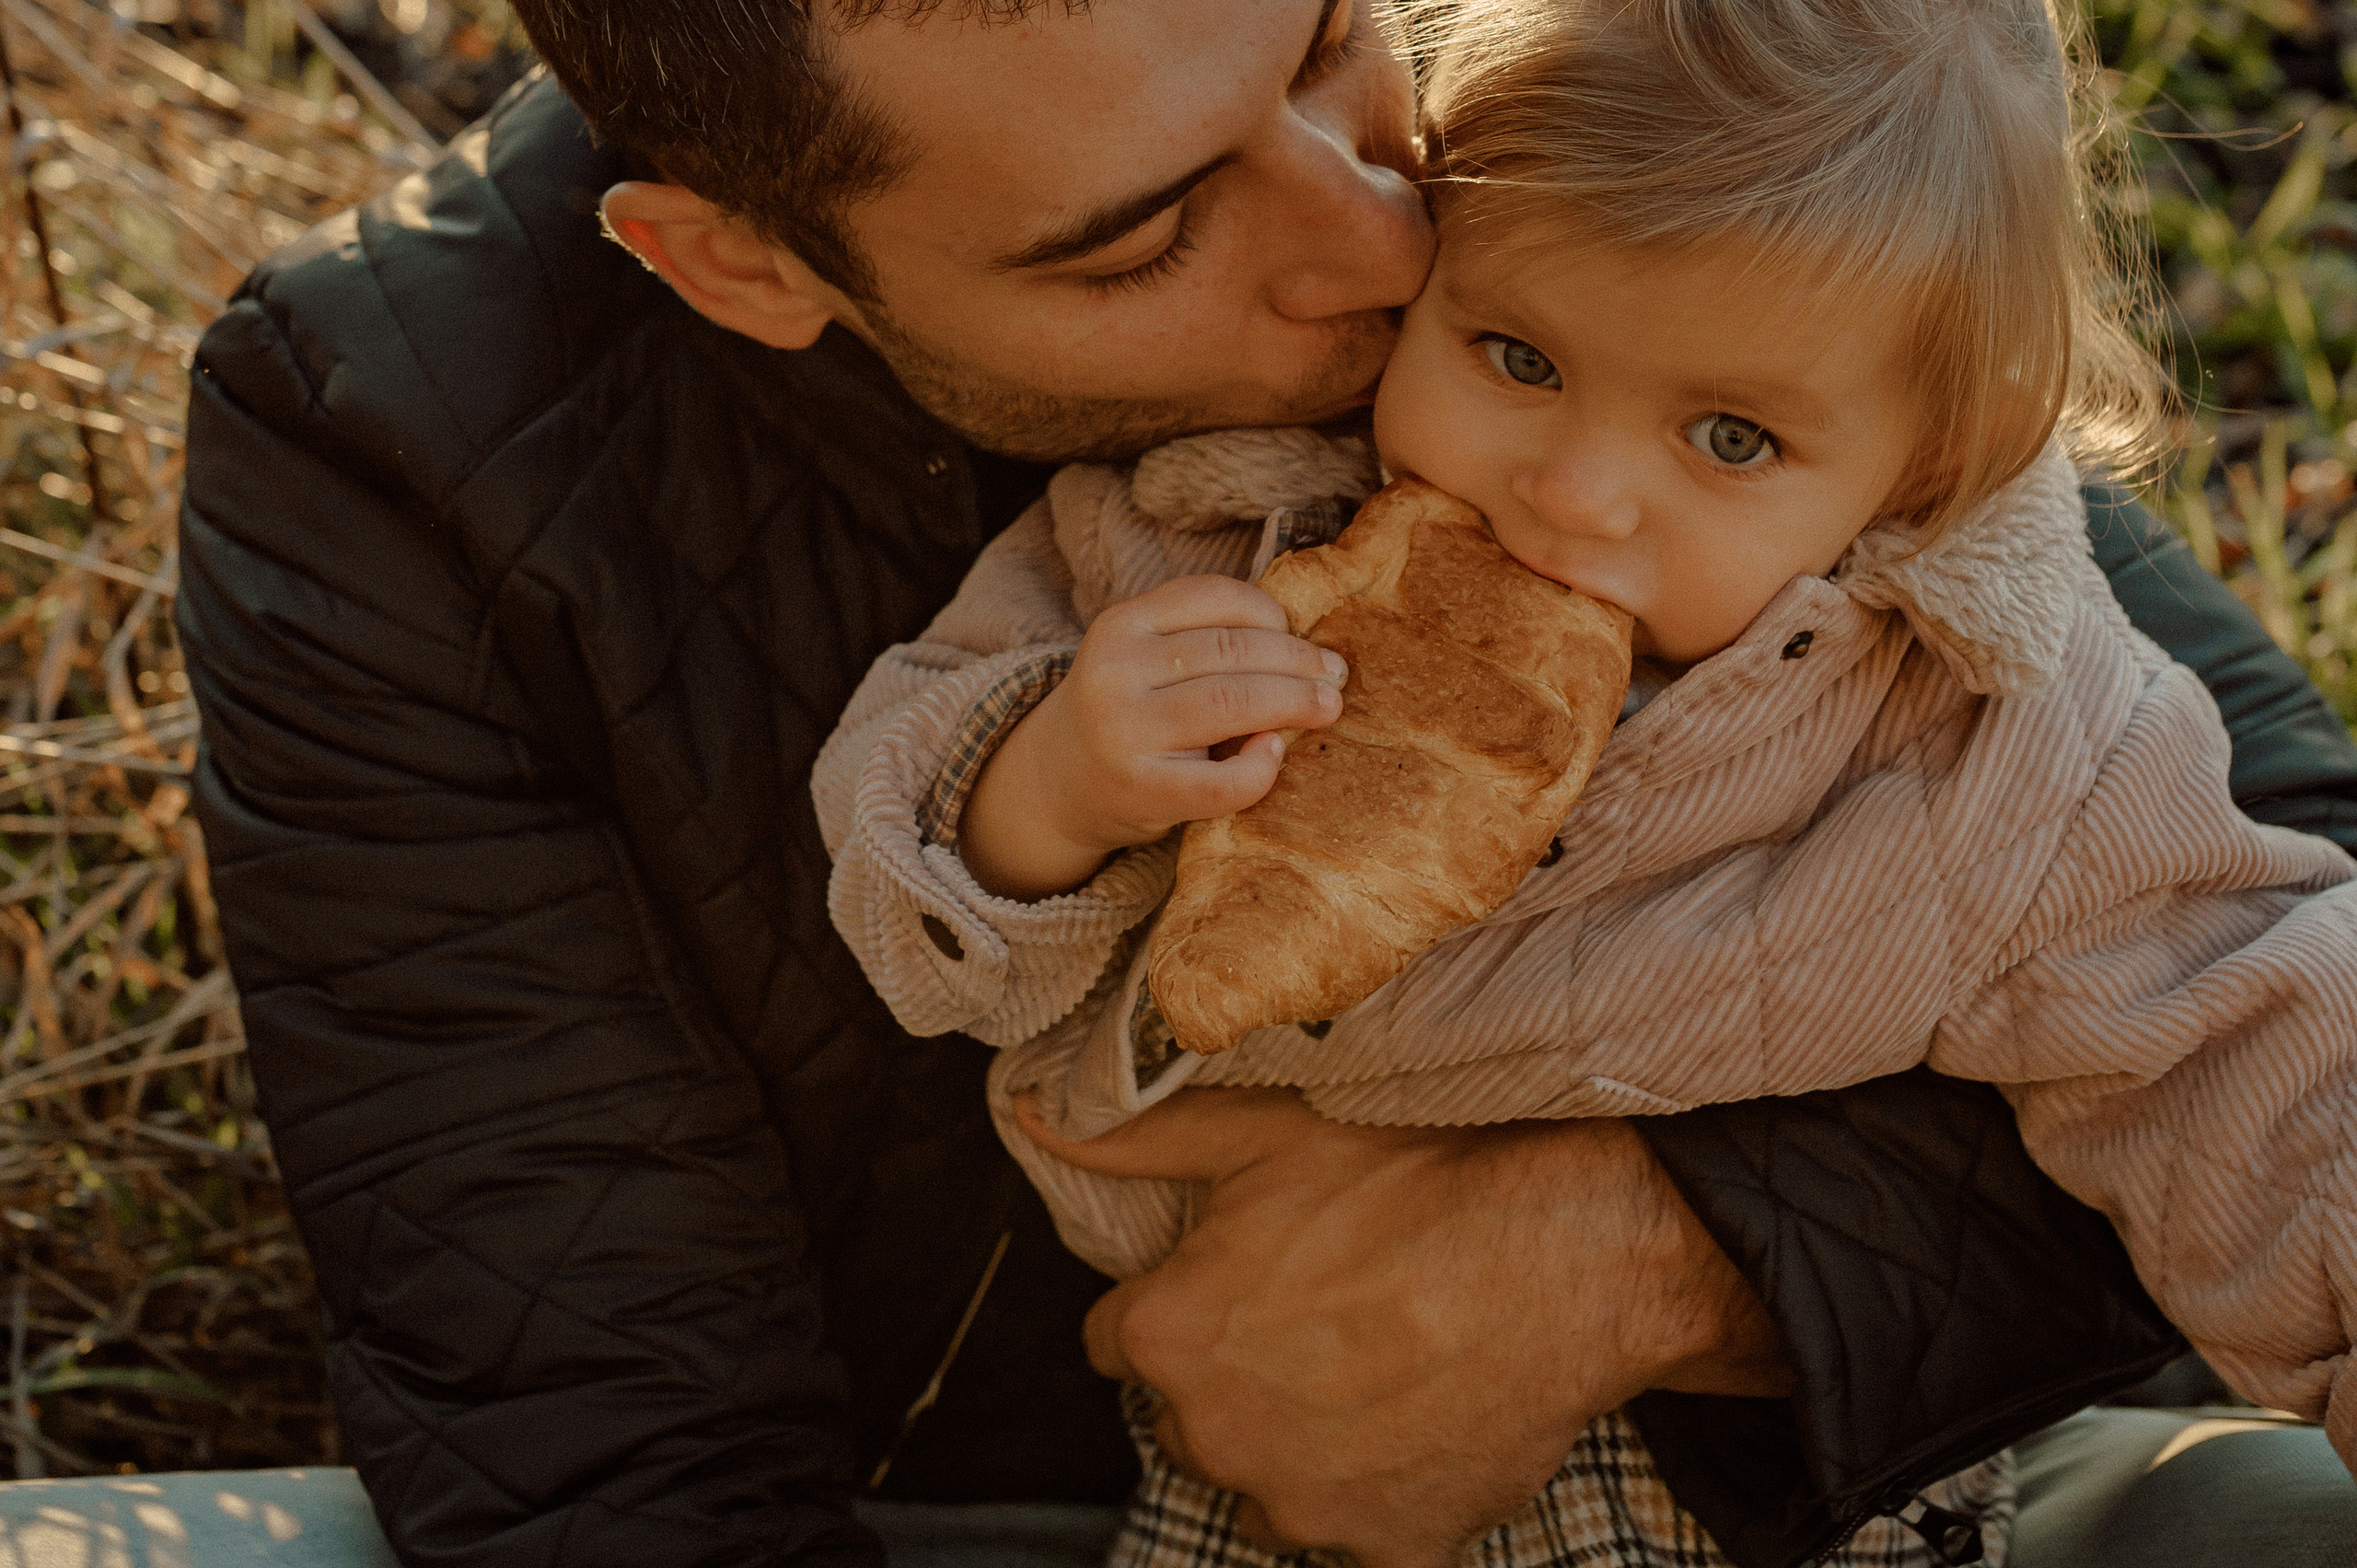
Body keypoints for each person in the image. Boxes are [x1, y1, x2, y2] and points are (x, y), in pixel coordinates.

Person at [171, 2, 2357, 1566]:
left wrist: (1667, 1258)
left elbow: (2254, 923)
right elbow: (598, 1436)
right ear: (740, 262)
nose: (1389, 241)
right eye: (1139, 237)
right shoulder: (392, 447)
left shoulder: (1614, 163)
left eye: (1327, 41)